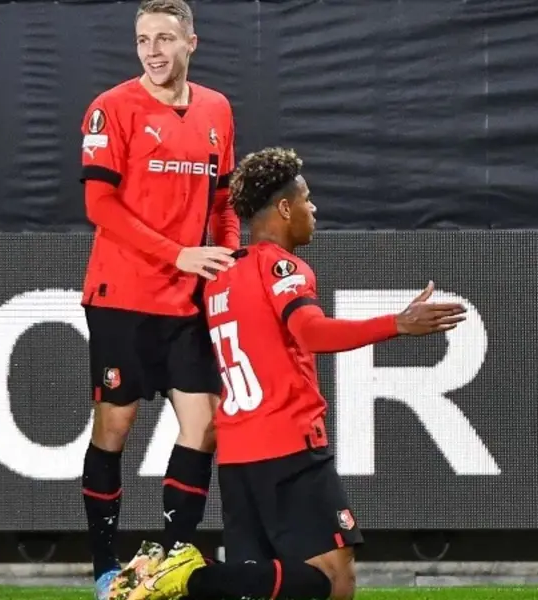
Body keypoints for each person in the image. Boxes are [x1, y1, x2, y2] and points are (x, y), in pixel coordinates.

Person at [112, 147, 468, 600]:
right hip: (288, 447)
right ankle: (189, 575)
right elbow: (311, 332)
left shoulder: (220, 276)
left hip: (238, 457)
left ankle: (177, 578)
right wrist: (396, 324)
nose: (313, 208)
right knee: (334, 582)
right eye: (307, 199)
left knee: (259, 588)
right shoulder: (281, 266)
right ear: (284, 207)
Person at [77, 0, 244, 597]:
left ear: (191, 42)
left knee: (204, 427)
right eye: (143, 38)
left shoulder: (217, 109)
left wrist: (223, 260)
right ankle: (103, 568)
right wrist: (179, 255)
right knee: (115, 429)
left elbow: (223, 203)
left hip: (188, 300)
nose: (152, 50)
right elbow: (99, 206)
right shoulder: (111, 108)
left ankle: (170, 563)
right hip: (122, 296)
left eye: (165, 38)